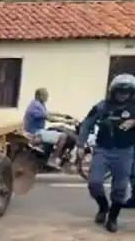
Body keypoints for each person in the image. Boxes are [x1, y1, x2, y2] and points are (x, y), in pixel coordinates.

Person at [76, 73, 135, 232]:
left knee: (120, 188)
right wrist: (80, 145)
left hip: (125, 152)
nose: (123, 95)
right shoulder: (102, 106)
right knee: (94, 183)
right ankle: (103, 207)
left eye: (127, 92)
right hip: (102, 150)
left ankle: (113, 218)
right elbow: (87, 124)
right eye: (120, 91)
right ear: (113, 91)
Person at [23, 88, 68, 169]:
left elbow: (48, 113)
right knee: (63, 136)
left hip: (37, 130)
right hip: (35, 132)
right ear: (39, 96)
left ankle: (46, 157)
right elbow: (49, 118)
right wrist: (66, 121)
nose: (47, 97)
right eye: (45, 95)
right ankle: (52, 160)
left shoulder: (38, 104)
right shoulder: (36, 105)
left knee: (54, 130)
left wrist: (64, 115)